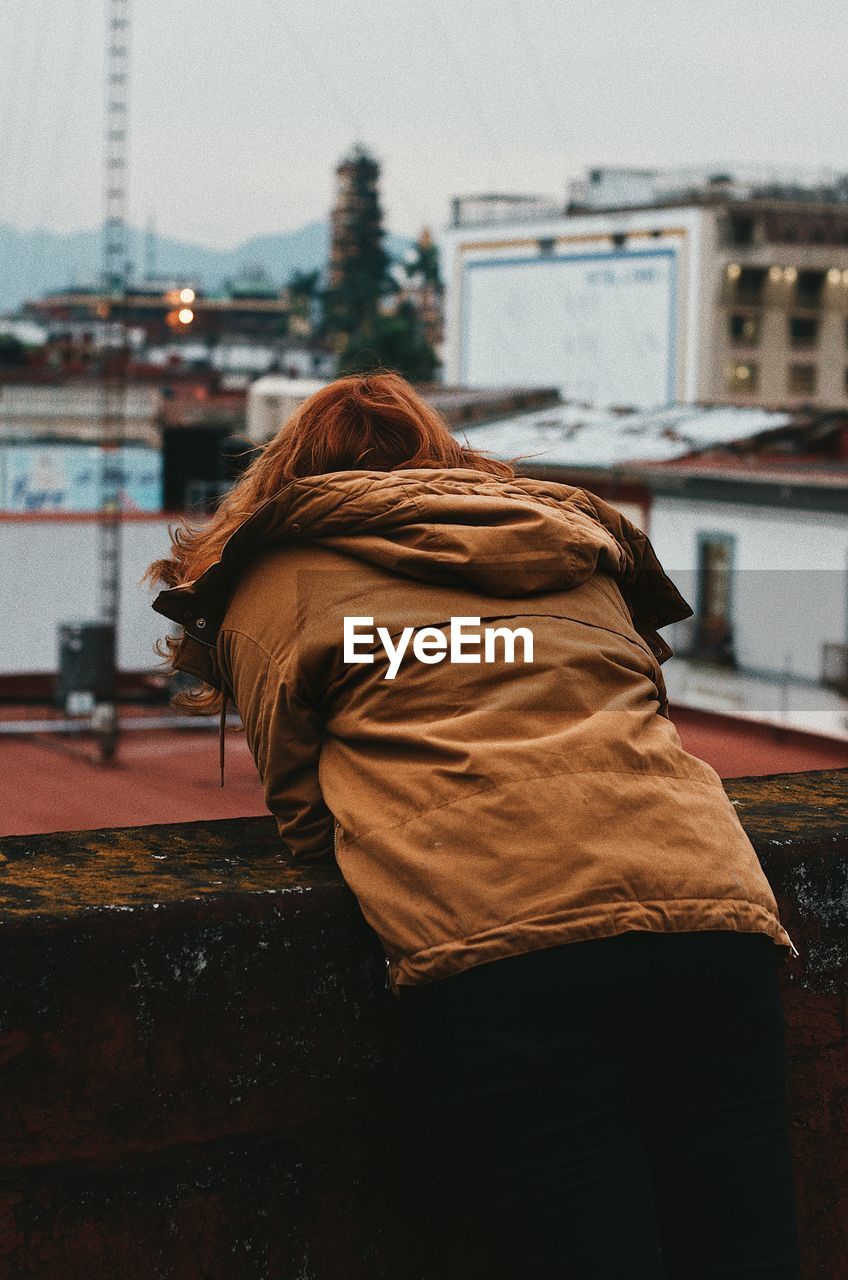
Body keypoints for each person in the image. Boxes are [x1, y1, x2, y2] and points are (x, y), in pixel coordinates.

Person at [145, 370, 802, 1279]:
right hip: (711, 911)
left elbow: (306, 816)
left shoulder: (278, 576)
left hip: (509, 946)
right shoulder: (565, 541)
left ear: (287, 468)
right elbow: (641, 707)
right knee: (747, 1250)